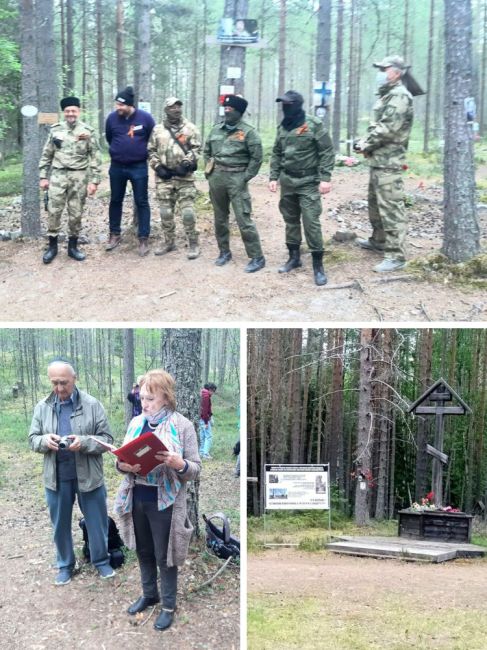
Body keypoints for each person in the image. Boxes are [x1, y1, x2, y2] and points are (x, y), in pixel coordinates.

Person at [114, 369, 201, 632]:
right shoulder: (136, 423)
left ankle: (168, 605)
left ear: (165, 396)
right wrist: (123, 466)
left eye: (150, 398)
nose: (145, 403)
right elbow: (122, 460)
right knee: (143, 550)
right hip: (137, 494)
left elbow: (196, 468)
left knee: (166, 555)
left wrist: (179, 463)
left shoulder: (182, 425)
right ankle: (149, 594)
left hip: (166, 500)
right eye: (142, 398)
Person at [28, 359, 115, 585]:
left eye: (64, 382)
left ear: (74, 379)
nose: (59, 388)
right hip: (56, 478)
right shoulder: (42, 407)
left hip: (89, 476)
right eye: (55, 382)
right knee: (60, 525)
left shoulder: (93, 405)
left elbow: (107, 440)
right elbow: (32, 439)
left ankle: (102, 561)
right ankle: (65, 565)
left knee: (97, 522)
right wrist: (44, 440)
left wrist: (85, 443)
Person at [353, 55, 414, 273]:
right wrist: (365, 145)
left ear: (397, 72)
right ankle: (378, 241)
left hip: (390, 162)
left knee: (391, 208)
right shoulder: (387, 95)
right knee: (375, 205)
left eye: (384, 68)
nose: (380, 72)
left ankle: (396, 255)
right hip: (379, 160)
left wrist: (364, 144)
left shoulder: (399, 96)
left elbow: (388, 128)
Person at [269, 90, 335, 286]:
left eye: (288, 104)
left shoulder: (313, 124)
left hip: (308, 182)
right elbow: (277, 153)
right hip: (287, 181)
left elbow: (327, 151)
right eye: (283, 104)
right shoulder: (283, 127)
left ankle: (318, 266)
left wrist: (325, 178)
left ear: (297, 104)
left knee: (311, 222)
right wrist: (273, 177)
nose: (285, 108)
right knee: (290, 220)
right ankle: (294, 258)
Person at [203, 94, 265, 273]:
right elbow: (207, 151)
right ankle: (224, 252)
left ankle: (257, 257)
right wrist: (210, 172)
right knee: (219, 218)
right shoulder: (216, 130)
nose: (227, 112)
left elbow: (257, 157)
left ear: (239, 112)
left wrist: (246, 177)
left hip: (237, 178)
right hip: (217, 178)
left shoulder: (248, 132)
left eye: (230, 110)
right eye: (225, 109)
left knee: (243, 218)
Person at [39, 96, 102, 264]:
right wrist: (43, 177)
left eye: (73, 110)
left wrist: (94, 181)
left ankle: (73, 247)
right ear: (63, 112)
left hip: (79, 176)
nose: (70, 113)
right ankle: (52, 247)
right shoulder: (55, 130)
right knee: (54, 211)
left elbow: (95, 156)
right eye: (67, 111)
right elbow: (47, 154)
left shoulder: (87, 131)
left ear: (78, 111)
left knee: (76, 212)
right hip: (58, 175)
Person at [147, 97, 201, 259]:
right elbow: (150, 151)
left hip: (185, 178)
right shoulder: (157, 130)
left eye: (178, 107)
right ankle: (169, 241)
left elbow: (197, 149)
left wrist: (186, 163)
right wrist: (157, 166)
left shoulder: (190, 128)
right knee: (165, 212)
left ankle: (193, 243)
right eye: (172, 107)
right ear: (166, 109)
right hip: (164, 178)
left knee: (188, 213)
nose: (176, 110)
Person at [105, 86, 155, 256]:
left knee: (141, 201)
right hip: (117, 166)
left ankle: (143, 238)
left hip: (139, 167)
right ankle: (114, 234)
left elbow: (152, 139)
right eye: (116, 104)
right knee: (115, 200)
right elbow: (109, 138)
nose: (117, 108)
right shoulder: (111, 118)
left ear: (129, 105)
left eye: (121, 105)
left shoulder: (146, 118)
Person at [199, 382, 217, 459]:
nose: (213, 393)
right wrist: (206, 422)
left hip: (201, 418)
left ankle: (201, 452)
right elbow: (205, 410)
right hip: (204, 419)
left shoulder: (202, 394)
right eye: (213, 391)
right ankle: (205, 454)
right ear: (210, 389)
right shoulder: (206, 396)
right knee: (208, 436)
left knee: (202, 436)